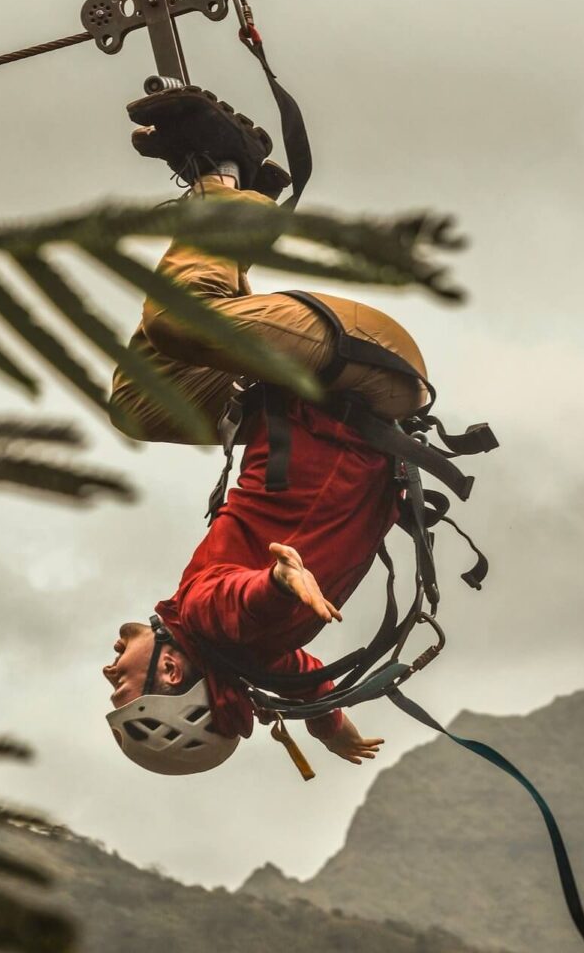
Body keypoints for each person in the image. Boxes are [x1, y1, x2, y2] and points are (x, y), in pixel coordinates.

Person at [103, 88, 431, 774]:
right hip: (363, 375)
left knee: (142, 406)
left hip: (327, 392)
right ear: (170, 675)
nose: (110, 674)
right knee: (183, 323)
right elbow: (242, 603)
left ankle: (242, 191)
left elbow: (295, 668)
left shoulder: (247, 653)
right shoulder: (214, 618)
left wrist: (328, 723)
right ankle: (223, 172)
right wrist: (282, 580)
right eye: (122, 688)